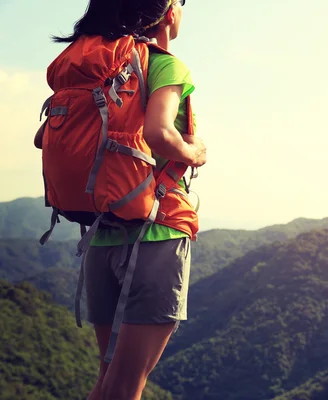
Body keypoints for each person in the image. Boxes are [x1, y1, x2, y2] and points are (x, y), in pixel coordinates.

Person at [35, 0, 206, 399]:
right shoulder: (164, 65)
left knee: (108, 380)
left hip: (100, 236)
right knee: (127, 386)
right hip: (157, 234)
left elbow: (43, 138)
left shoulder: (102, 67)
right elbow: (161, 134)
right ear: (167, 12)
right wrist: (197, 151)